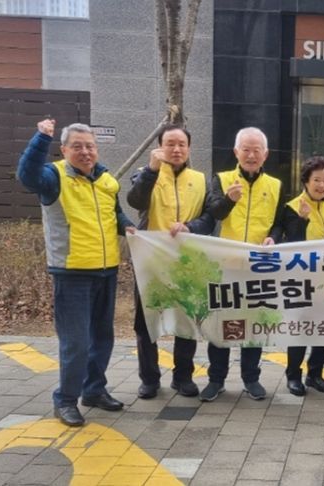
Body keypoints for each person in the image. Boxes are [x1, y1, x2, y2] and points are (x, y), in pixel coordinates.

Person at [16, 119, 134, 427]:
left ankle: (94, 391)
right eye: (77, 146)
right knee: (76, 342)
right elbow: (26, 176)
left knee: (102, 338)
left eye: (90, 146)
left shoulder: (106, 179)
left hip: (106, 271)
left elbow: (115, 214)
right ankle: (66, 400)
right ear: (64, 149)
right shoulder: (53, 177)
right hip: (72, 274)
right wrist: (41, 138)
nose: (85, 152)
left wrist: (129, 228)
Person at [127, 124, 214, 400]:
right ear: (159, 147)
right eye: (170, 144)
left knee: (187, 321)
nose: (176, 149)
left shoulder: (200, 180)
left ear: (189, 148)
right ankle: (149, 379)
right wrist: (151, 171)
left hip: (187, 263)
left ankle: (183, 377)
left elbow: (210, 219)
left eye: (181, 144)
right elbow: (135, 201)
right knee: (146, 323)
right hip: (151, 262)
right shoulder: (144, 174)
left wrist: (190, 227)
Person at [199, 127, 284, 402]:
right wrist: (229, 200)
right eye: (246, 150)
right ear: (236, 152)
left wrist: (274, 237)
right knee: (221, 325)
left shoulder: (275, 185)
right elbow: (214, 212)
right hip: (224, 267)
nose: (251, 155)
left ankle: (251, 378)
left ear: (265, 154)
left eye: (257, 150)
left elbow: (279, 222)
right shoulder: (222, 179)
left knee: (253, 325)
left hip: (258, 267)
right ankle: (216, 379)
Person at [281, 156, 324, 396]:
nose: (322, 185)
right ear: (305, 181)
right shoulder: (292, 207)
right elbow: (292, 244)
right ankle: (293, 376)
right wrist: (302, 220)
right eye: (316, 180)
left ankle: (315, 373)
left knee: (322, 328)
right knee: (300, 328)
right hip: (301, 279)